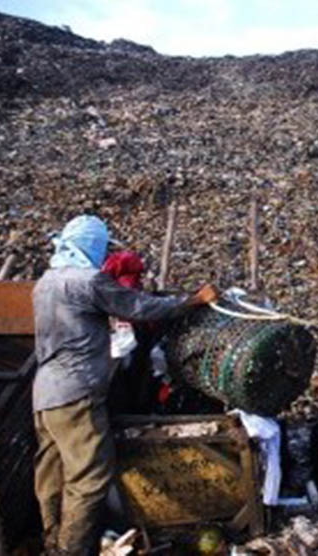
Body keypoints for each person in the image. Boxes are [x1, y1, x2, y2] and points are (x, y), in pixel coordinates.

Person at [31, 215, 217, 555]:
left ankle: (51, 540)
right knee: (89, 477)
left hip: (44, 394)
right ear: (92, 246)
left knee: (51, 471)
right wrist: (193, 301)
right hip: (76, 393)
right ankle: (72, 550)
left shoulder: (46, 281)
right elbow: (141, 307)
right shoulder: (88, 281)